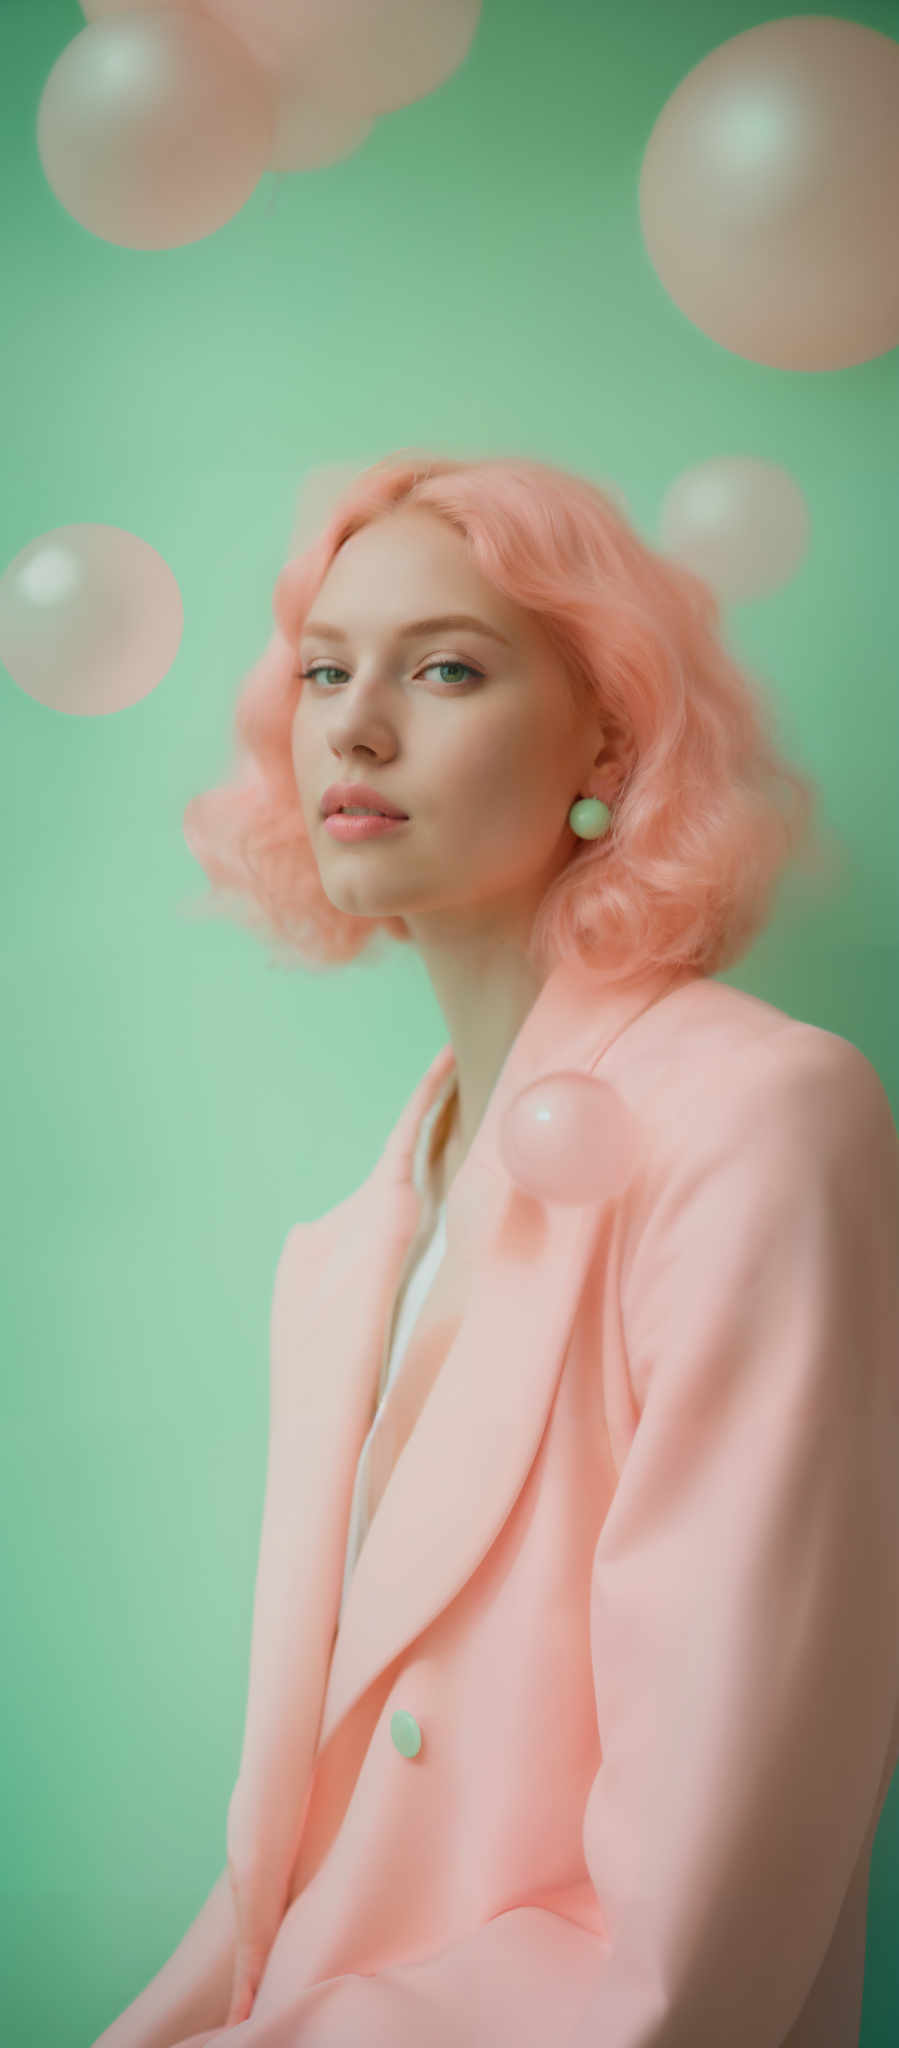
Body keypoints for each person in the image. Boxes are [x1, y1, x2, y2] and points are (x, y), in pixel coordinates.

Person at [93, 453, 899, 2047]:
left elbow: (684, 1941)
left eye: (444, 666)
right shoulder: (343, 1253)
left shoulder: (759, 1121)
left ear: (610, 729)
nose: (356, 725)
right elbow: (287, 1885)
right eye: (326, 671)